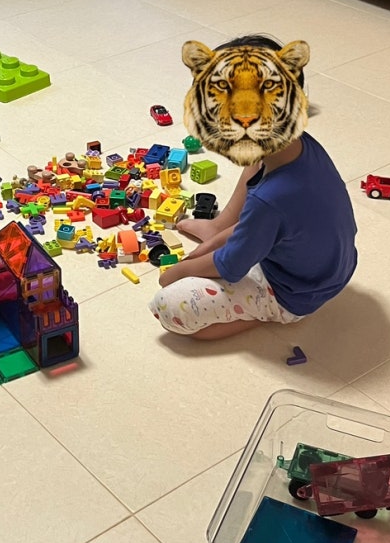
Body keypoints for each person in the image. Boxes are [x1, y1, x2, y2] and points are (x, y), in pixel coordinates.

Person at [148, 35, 357, 340]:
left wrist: (178, 271)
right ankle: (217, 224)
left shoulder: (267, 202)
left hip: (294, 291)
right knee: (256, 164)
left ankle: (272, 312)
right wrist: (215, 239)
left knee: (169, 305)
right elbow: (269, 222)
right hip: (326, 266)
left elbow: (231, 264)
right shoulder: (301, 147)